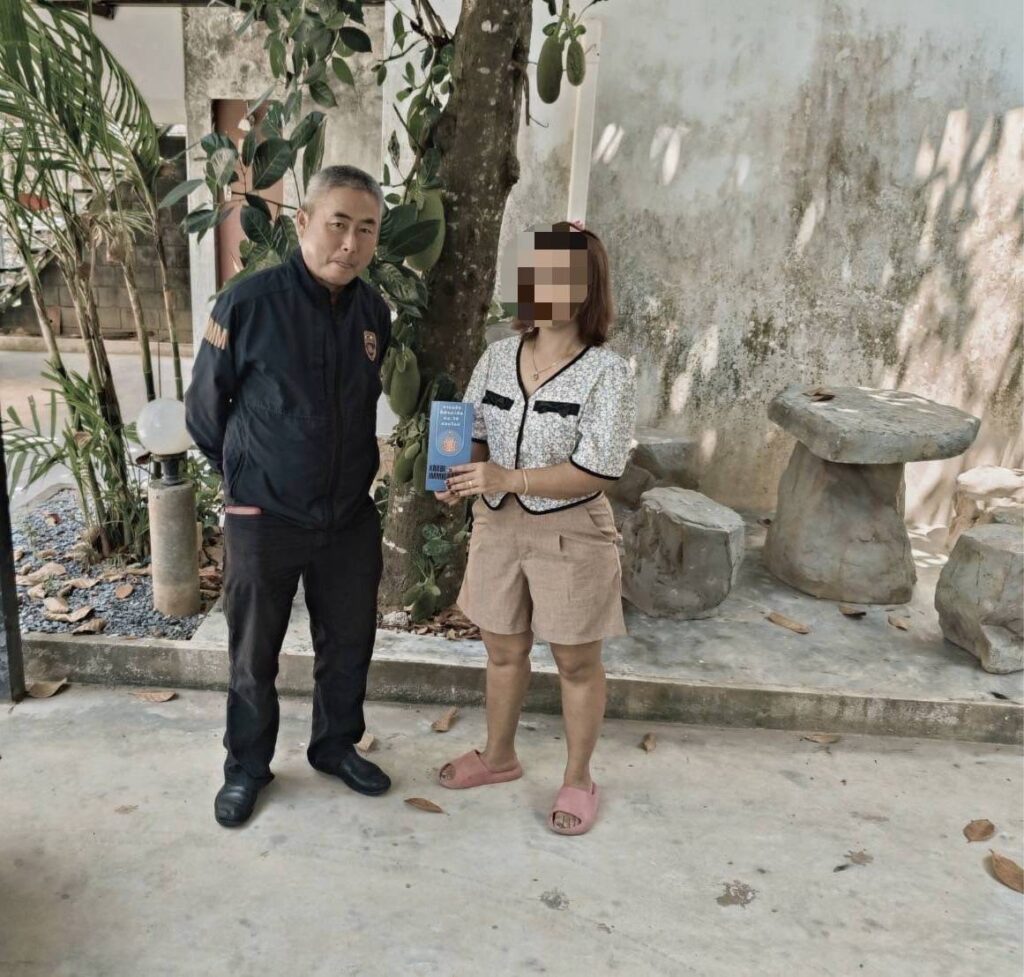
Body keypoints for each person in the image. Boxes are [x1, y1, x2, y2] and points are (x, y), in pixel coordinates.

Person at [185, 165, 393, 827]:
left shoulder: (373, 312)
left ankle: (334, 745)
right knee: (253, 654)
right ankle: (246, 766)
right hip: (264, 515)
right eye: (338, 223)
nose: (351, 244)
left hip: (348, 516)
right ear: (303, 221)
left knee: (350, 642)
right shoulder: (247, 304)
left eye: (366, 229)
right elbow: (204, 412)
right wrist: (245, 483)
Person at [434, 221, 636, 836]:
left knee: (575, 661)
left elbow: (598, 469)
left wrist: (509, 477)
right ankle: (499, 757)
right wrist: (454, 472)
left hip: (571, 531)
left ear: (588, 288)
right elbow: (473, 429)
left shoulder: (606, 372)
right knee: (502, 649)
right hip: (497, 526)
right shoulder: (498, 356)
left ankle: (578, 778)